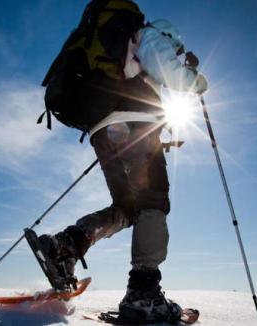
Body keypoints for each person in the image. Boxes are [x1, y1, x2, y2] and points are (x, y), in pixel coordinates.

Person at [32, 0, 208, 323]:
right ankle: (143, 292)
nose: (178, 52)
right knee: (153, 199)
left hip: (103, 130)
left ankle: (66, 246)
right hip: (131, 123)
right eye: (178, 48)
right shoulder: (152, 34)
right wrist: (192, 80)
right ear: (172, 36)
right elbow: (165, 67)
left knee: (127, 208)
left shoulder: (118, 46)